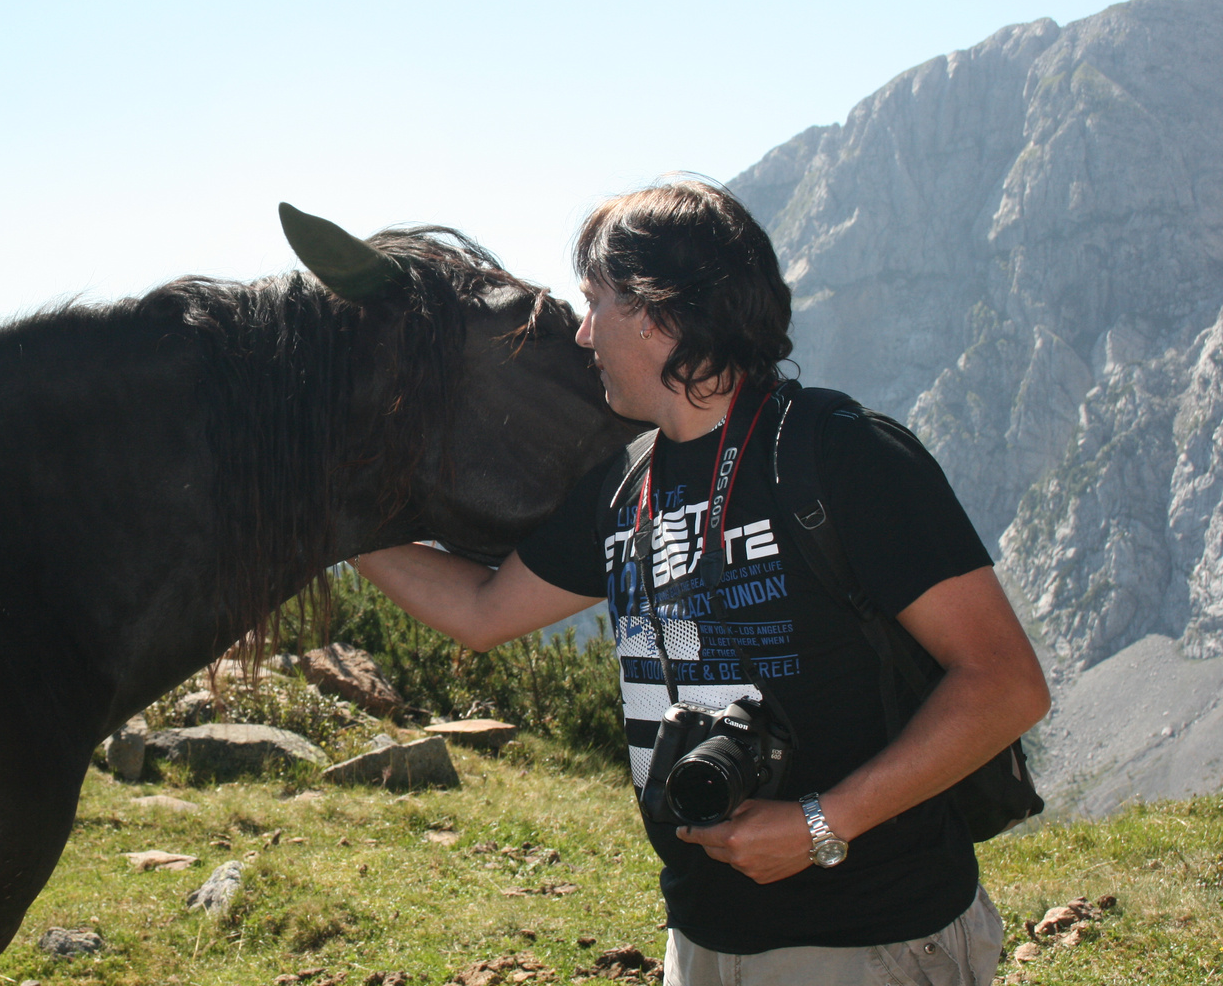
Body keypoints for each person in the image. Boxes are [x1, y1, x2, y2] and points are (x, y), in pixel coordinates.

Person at [354, 178, 1050, 986]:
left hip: (872, 940)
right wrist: (333, 525)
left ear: (659, 314)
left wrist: (821, 824)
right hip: (702, 940)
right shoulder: (625, 485)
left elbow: (1006, 684)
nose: (583, 336)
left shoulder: (838, 454)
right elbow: (479, 610)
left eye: (595, 303)